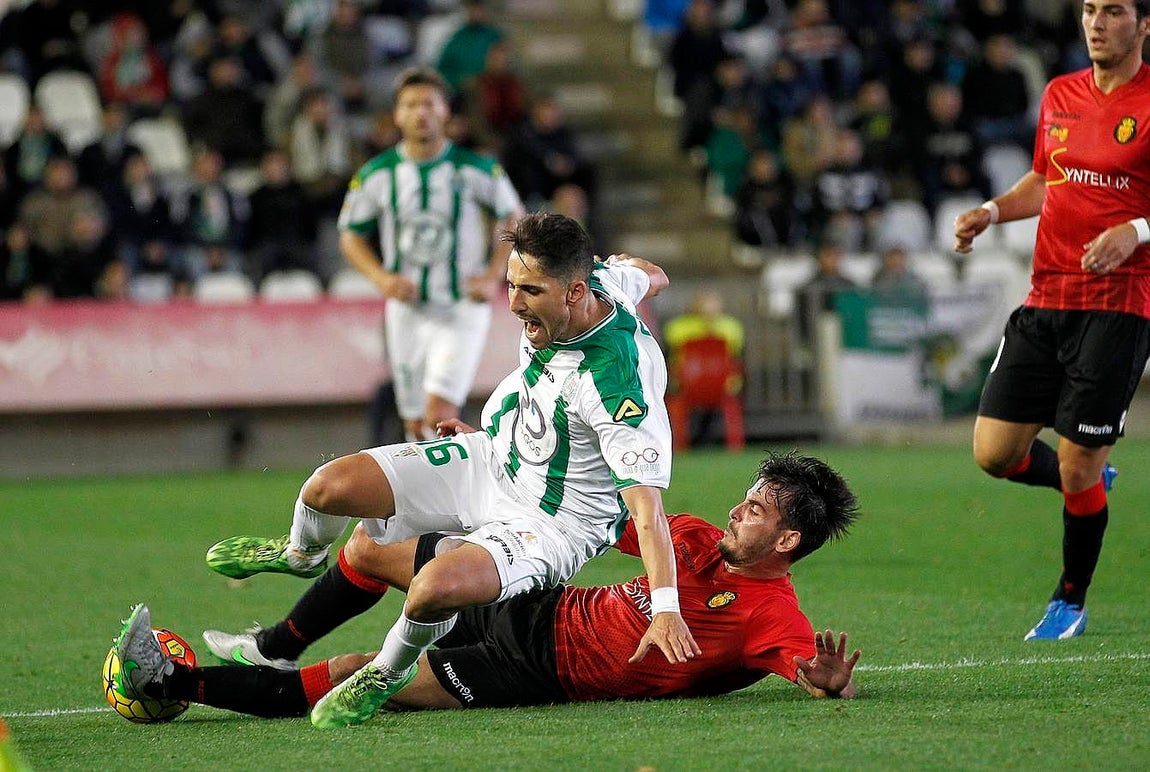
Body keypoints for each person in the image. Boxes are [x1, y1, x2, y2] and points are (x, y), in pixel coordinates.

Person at [201, 212, 698, 727]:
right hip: (494, 460)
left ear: (574, 292)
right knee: (328, 488)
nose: (514, 303)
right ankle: (301, 554)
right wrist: (628, 266)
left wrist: (666, 608)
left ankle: (386, 673)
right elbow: (653, 275)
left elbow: (647, 513)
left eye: (530, 291)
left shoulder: (619, 385)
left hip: (554, 523)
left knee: (433, 589)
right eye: (511, 284)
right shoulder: (600, 283)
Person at [112, 451, 860, 720]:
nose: (738, 509)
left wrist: (826, 679)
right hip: (534, 600)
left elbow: (810, 669)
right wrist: (494, 459)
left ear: (787, 542)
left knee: (357, 674)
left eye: (756, 509)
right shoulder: (690, 538)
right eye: (746, 497)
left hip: (532, 670)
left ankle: (170, 682)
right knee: (372, 545)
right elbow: (590, 509)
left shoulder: (770, 614)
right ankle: (275, 643)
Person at [952, 0, 1150, 641]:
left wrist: (1137, 230)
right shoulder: (1061, 93)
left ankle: (1070, 600)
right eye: (1089, 10)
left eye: (1113, 11)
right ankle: (1085, 479)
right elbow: (1045, 179)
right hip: (1045, 299)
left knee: (1078, 462)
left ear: (1144, 25)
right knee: (994, 453)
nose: (1096, 22)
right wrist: (991, 211)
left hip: (1117, 306)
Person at [338, 66, 525, 442]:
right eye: (410, 105)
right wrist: (381, 278)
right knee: (414, 424)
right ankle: (433, 481)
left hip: (460, 305)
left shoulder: (476, 168)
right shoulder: (377, 174)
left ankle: (456, 481)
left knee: (439, 413)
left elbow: (514, 217)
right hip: (406, 310)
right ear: (397, 114)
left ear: (445, 111)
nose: (420, 112)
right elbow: (350, 234)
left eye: (428, 103)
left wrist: (493, 275)